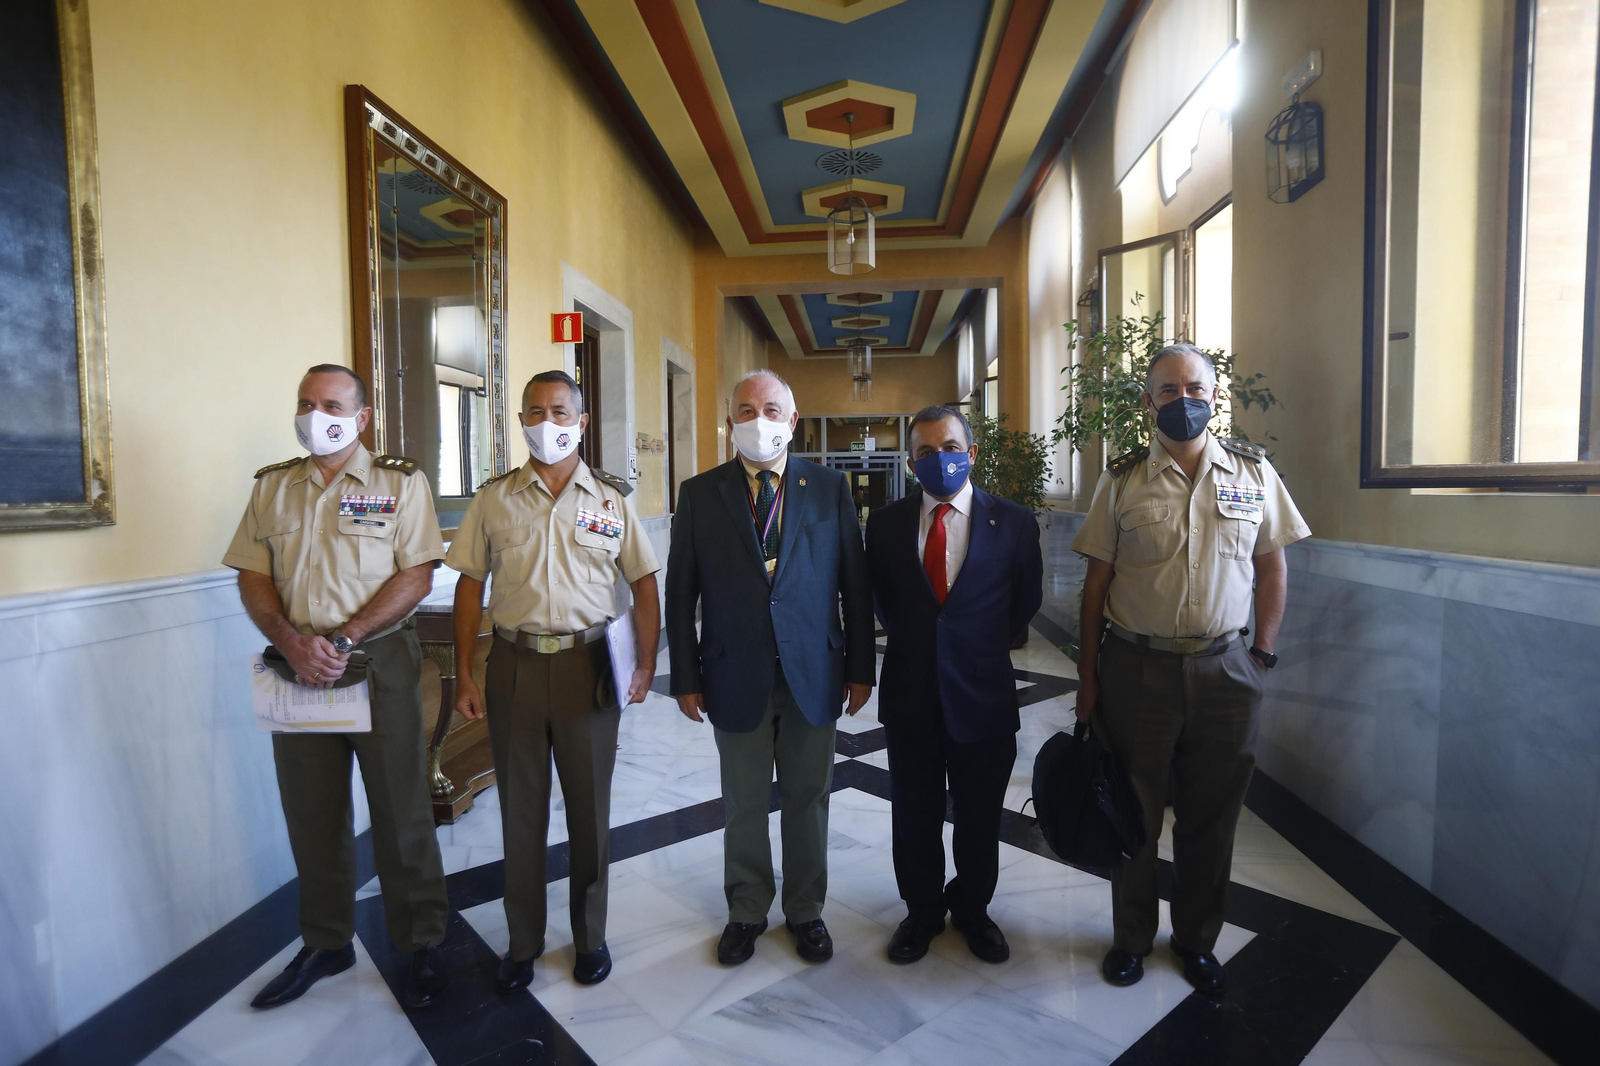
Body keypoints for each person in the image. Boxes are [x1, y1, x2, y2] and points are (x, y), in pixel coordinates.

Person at [1072, 342, 1310, 994]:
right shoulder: (1122, 479)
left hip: (1227, 671)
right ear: (1148, 403)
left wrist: (1261, 654)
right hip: (1136, 670)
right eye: (1169, 390)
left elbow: (1273, 569)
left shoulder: (1253, 472)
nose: (1184, 400)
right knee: (1134, 814)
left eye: (1195, 388)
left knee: (1212, 817)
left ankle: (1197, 940)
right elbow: (1096, 586)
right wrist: (1088, 678)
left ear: (1215, 395)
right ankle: (1131, 939)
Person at [223, 364, 450, 1010]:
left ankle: (421, 940)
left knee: (401, 809)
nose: (314, 415)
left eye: (330, 404)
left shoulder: (399, 482)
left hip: (377, 661)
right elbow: (252, 575)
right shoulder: (273, 487)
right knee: (312, 812)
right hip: (296, 666)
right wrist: (293, 642)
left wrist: (345, 638)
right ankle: (326, 941)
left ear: (362, 416)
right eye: (305, 403)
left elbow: (417, 573)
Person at [446, 370, 660, 990]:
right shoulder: (494, 499)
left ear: (582, 422)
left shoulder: (611, 500)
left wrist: (646, 662)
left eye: (560, 412)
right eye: (535, 412)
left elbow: (644, 581)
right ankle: (523, 942)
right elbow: (469, 585)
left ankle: (590, 937)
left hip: (587, 666)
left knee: (589, 810)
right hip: (514, 664)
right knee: (521, 811)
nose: (548, 423)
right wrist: (464, 671)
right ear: (520, 421)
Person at [664, 369, 874, 966]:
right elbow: (681, 593)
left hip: (815, 670)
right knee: (744, 801)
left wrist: (861, 668)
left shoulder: (829, 487)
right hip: (733, 671)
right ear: (729, 420)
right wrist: (685, 677)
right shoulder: (700, 494)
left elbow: (854, 585)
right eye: (747, 410)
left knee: (809, 797)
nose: (760, 420)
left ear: (793, 418)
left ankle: (806, 910)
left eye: (772, 409)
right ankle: (747, 909)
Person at [866, 405, 1043, 965]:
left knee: (979, 816)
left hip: (983, 695)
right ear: (910, 462)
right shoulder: (886, 525)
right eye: (924, 451)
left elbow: (1024, 602)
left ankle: (972, 909)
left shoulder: (1013, 521)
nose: (937, 459)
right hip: (910, 693)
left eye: (948, 448)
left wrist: (972, 646)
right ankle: (921, 913)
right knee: (913, 814)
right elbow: (882, 601)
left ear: (971, 453)